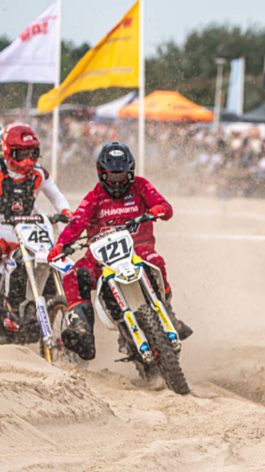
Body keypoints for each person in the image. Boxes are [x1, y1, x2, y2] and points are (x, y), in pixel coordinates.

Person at [47, 141, 190, 361]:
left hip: (137, 250)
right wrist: (61, 244)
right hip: (100, 259)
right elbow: (76, 223)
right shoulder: (94, 197)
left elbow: (164, 206)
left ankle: (168, 311)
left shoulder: (141, 186)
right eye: (112, 176)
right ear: (102, 174)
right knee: (73, 276)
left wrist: (160, 209)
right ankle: (82, 331)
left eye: (122, 176)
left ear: (131, 172)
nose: (117, 181)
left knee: (156, 261)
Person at [0, 122, 72, 337]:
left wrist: (66, 211)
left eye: (32, 154)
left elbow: (58, 197)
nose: (27, 160)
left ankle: (36, 304)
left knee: (48, 257)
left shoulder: (40, 174)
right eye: (21, 154)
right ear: (8, 151)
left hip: (28, 228)